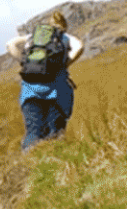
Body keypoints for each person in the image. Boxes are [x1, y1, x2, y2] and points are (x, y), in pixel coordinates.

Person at [5, 11, 85, 151]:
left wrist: (23, 61)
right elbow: (80, 46)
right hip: (57, 93)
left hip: (30, 92)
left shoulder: (34, 37)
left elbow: (10, 44)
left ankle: (28, 165)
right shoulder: (64, 37)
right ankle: (52, 167)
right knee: (55, 133)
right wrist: (66, 63)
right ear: (63, 25)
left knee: (33, 132)